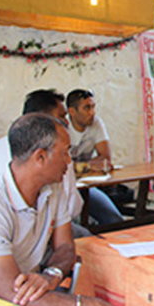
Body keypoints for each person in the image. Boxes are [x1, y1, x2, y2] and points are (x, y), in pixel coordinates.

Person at [0, 114, 133, 306]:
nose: (69, 161)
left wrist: (52, 274)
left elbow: (65, 247)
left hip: (24, 297)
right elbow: (9, 293)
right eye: (65, 152)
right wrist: (91, 305)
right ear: (40, 157)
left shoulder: (53, 189)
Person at [0, 90, 89, 237]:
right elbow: (72, 209)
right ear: (43, 121)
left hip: (30, 231)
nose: (66, 122)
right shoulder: (55, 153)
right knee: (89, 239)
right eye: (61, 116)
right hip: (37, 232)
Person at [66, 89, 123, 225]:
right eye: (87, 108)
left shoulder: (96, 123)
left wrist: (78, 167)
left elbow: (105, 159)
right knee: (72, 226)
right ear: (72, 112)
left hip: (87, 185)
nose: (92, 112)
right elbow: (64, 167)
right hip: (66, 188)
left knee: (115, 221)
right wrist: (90, 165)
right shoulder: (63, 128)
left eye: (93, 107)